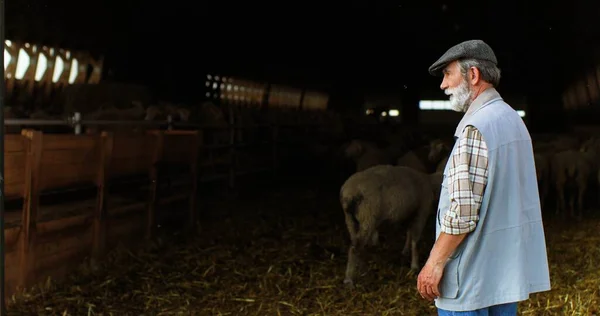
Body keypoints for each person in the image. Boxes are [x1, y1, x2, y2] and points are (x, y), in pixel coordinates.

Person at [416, 39, 551, 315]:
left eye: (448, 74)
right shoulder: (512, 119)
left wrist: (434, 263)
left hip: (470, 281)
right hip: (502, 274)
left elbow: (463, 212)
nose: (443, 85)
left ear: (473, 75)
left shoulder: (477, 127)